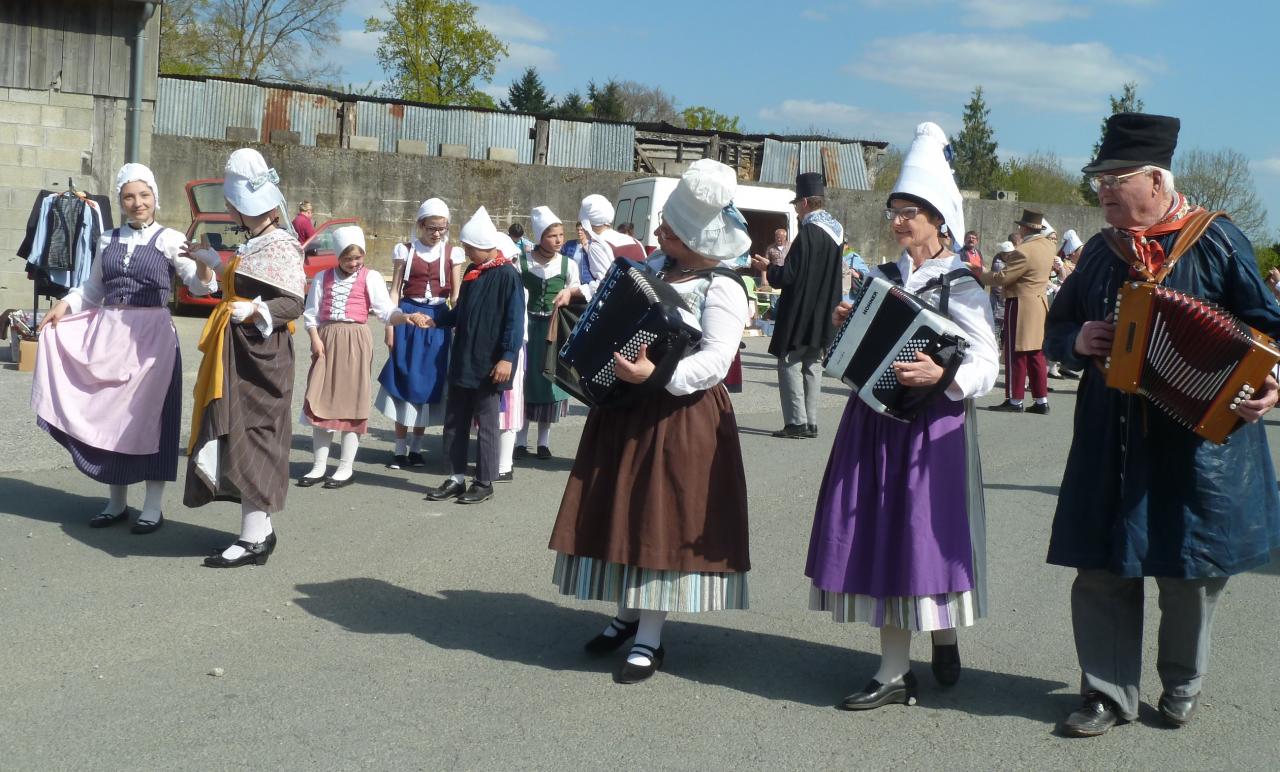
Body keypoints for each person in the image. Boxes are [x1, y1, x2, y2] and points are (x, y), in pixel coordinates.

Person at [1046, 112, 1280, 737]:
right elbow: (1054, 331)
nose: (1100, 189)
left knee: (1190, 572)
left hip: (1201, 445)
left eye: (1112, 178)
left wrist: (1271, 384)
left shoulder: (1218, 241)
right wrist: (1079, 341)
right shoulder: (1100, 252)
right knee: (1101, 567)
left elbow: (1270, 329)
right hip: (1111, 438)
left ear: (1154, 180)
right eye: (1096, 178)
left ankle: (1182, 684)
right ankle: (1104, 691)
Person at [806, 122, 998, 711]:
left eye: (909, 211)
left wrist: (944, 377)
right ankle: (899, 665)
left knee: (922, 537)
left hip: (932, 431)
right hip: (873, 423)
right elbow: (856, 354)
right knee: (885, 537)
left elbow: (987, 363)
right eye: (894, 210)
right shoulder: (884, 278)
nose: (898, 221)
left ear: (939, 218)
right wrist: (847, 324)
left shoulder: (962, 286)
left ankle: (930, 642)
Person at [548, 159, 752, 685]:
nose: (658, 231)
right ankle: (626, 615)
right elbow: (619, 294)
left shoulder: (724, 286)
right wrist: (580, 293)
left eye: (669, 228)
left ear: (693, 236)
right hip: (626, 407)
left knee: (659, 522)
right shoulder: (659, 263)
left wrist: (654, 375)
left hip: (678, 415)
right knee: (624, 513)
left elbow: (714, 361)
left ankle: (649, 638)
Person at [32, 163, 219, 534]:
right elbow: (92, 289)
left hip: (152, 341)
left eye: (144, 195)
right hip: (110, 336)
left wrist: (202, 267)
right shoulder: (107, 239)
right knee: (111, 418)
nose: (138, 203)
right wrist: (63, 307)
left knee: (153, 418)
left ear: (155, 199)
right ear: (120, 200)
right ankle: (116, 502)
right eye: (130, 197)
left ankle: (152, 506)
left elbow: (200, 288)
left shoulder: (169, 239)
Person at [187, 148, 306, 568]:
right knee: (240, 433)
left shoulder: (279, 244)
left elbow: (293, 301)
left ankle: (254, 539)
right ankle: (260, 531)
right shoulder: (256, 242)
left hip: (262, 357)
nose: (232, 210)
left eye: (233, 204)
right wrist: (214, 266)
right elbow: (246, 284)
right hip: (240, 351)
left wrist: (256, 311)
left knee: (256, 435)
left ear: (242, 205)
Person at [298, 225, 431, 488]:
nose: (353, 263)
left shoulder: (369, 278)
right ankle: (318, 466)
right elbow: (311, 313)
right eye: (348, 259)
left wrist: (405, 317)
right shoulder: (323, 278)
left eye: (358, 258)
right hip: (327, 339)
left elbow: (385, 311)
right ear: (338, 257)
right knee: (319, 400)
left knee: (351, 402)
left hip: (356, 340)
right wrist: (315, 339)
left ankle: (345, 467)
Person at [422, 207, 525, 505]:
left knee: (487, 422)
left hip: (490, 363)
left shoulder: (508, 276)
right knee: (455, 420)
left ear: (482, 246)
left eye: (469, 248)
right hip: (464, 358)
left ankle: (484, 481)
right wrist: (438, 320)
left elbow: (514, 322)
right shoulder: (472, 273)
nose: (466, 253)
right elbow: (462, 312)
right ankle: (455, 477)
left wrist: (506, 357)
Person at [749, 172, 843, 439]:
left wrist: (770, 268)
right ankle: (811, 422)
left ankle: (795, 422)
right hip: (825, 312)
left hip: (801, 311)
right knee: (813, 364)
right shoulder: (836, 231)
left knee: (789, 361)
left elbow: (789, 275)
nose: (796, 212)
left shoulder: (808, 232)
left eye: (795, 205)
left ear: (803, 203)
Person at [375, 198, 465, 469]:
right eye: (431, 227)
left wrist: (456, 324)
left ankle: (416, 447)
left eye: (441, 227)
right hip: (408, 318)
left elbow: (456, 296)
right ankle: (399, 448)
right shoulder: (405, 251)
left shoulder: (453, 254)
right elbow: (395, 290)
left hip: (437, 320)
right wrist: (391, 325)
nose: (436, 232)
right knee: (404, 379)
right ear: (420, 225)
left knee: (429, 382)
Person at [514, 206, 579, 460]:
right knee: (526, 378)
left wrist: (570, 293)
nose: (559, 240)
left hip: (552, 329)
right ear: (540, 237)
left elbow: (575, 290)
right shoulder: (522, 263)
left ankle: (543, 441)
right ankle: (520, 439)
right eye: (553, 236)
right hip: (528, 327)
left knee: (547, 379)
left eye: (562, 235)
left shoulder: (568, 264)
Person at [983, 209, 1055, 414]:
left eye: (1020, 226)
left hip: (1021, 304)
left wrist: (980, 276)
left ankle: (1015, 400)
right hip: (1039, 303)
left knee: (1016, 353)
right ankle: (1041, 401)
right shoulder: (1048, 246)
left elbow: (1003, 278)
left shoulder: (1024, 250)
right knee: (1036, 354)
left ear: (1025, 228)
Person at [578, 194, 647, 293]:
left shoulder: (597, 245)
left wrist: (574, 291)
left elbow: (602, 285)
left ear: (587, 223)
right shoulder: (635, 241)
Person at [1046, 229, 1084, 380]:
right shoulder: (1065, 263)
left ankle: (1064, 365)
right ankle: (1052, 366)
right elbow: (1064, 280)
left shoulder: (1077, 264)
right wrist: (1061, 268)